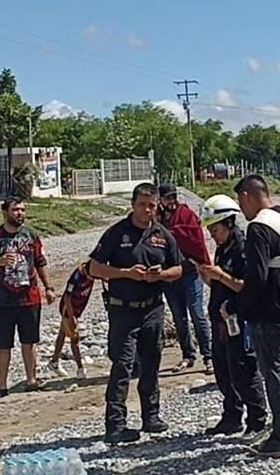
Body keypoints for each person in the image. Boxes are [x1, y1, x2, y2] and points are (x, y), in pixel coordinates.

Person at [89, 183, 183, 444]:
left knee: (151, 364)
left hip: (153, 308)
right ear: (133, 205)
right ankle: (115, 425)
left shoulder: (163, 235)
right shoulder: (116, 233)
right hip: (123, 310)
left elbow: (178, 270)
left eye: (151, 205)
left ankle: (151, 417)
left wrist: (159, 275)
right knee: (122, 366)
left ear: (157, 206)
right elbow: (94, 268)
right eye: (142, 205)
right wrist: (125, 273)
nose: (147, 210)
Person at [234, 174, 280, 458]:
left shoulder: (259, 228)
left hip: (271, 307)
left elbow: (257, 276)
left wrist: (240, 305)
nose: (243, 211)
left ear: (247, 196)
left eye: (242, 203)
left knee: (272, 371)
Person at [0, 197, 56, 400]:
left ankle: (31, 381)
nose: (20, 213)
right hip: (2, 300)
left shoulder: (31, 235)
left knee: (30, 341)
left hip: (30, 297)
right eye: (16, 210)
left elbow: (41, 262)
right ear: (5, 212)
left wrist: (49, 287)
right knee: (2, 344)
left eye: (23, 210)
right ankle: (1, 387)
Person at [196, 194, 267, 438]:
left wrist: (220, 276)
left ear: (228, 223)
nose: (212, 234)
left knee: (244, 371)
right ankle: (232, 416)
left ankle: (257, 420)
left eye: (215, 229)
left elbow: (248, 287)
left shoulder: (243, 249)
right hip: (221, 321)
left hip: (240, 319)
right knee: (224, 371)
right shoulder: (223, 248)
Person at [158, 184, 214, 375]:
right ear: (160, 200)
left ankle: (209, 356)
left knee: (197, 313)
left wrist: (173, 233)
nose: (171, 202)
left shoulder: (185, 214)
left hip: (189, 272)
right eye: (167, 198)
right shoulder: (156, 219)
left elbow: (195, 237)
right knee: (179, 318)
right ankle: (188, 355)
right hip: (169, 276)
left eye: (174, 197)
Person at [47, 261, 94, 381]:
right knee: (74, 337)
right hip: (68, 309)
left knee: (62, 334)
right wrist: (72, 317)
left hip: (78, 308)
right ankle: (80, 368)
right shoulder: (76, 277)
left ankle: (54, 361)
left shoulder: (94, 273)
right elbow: (67, 296)